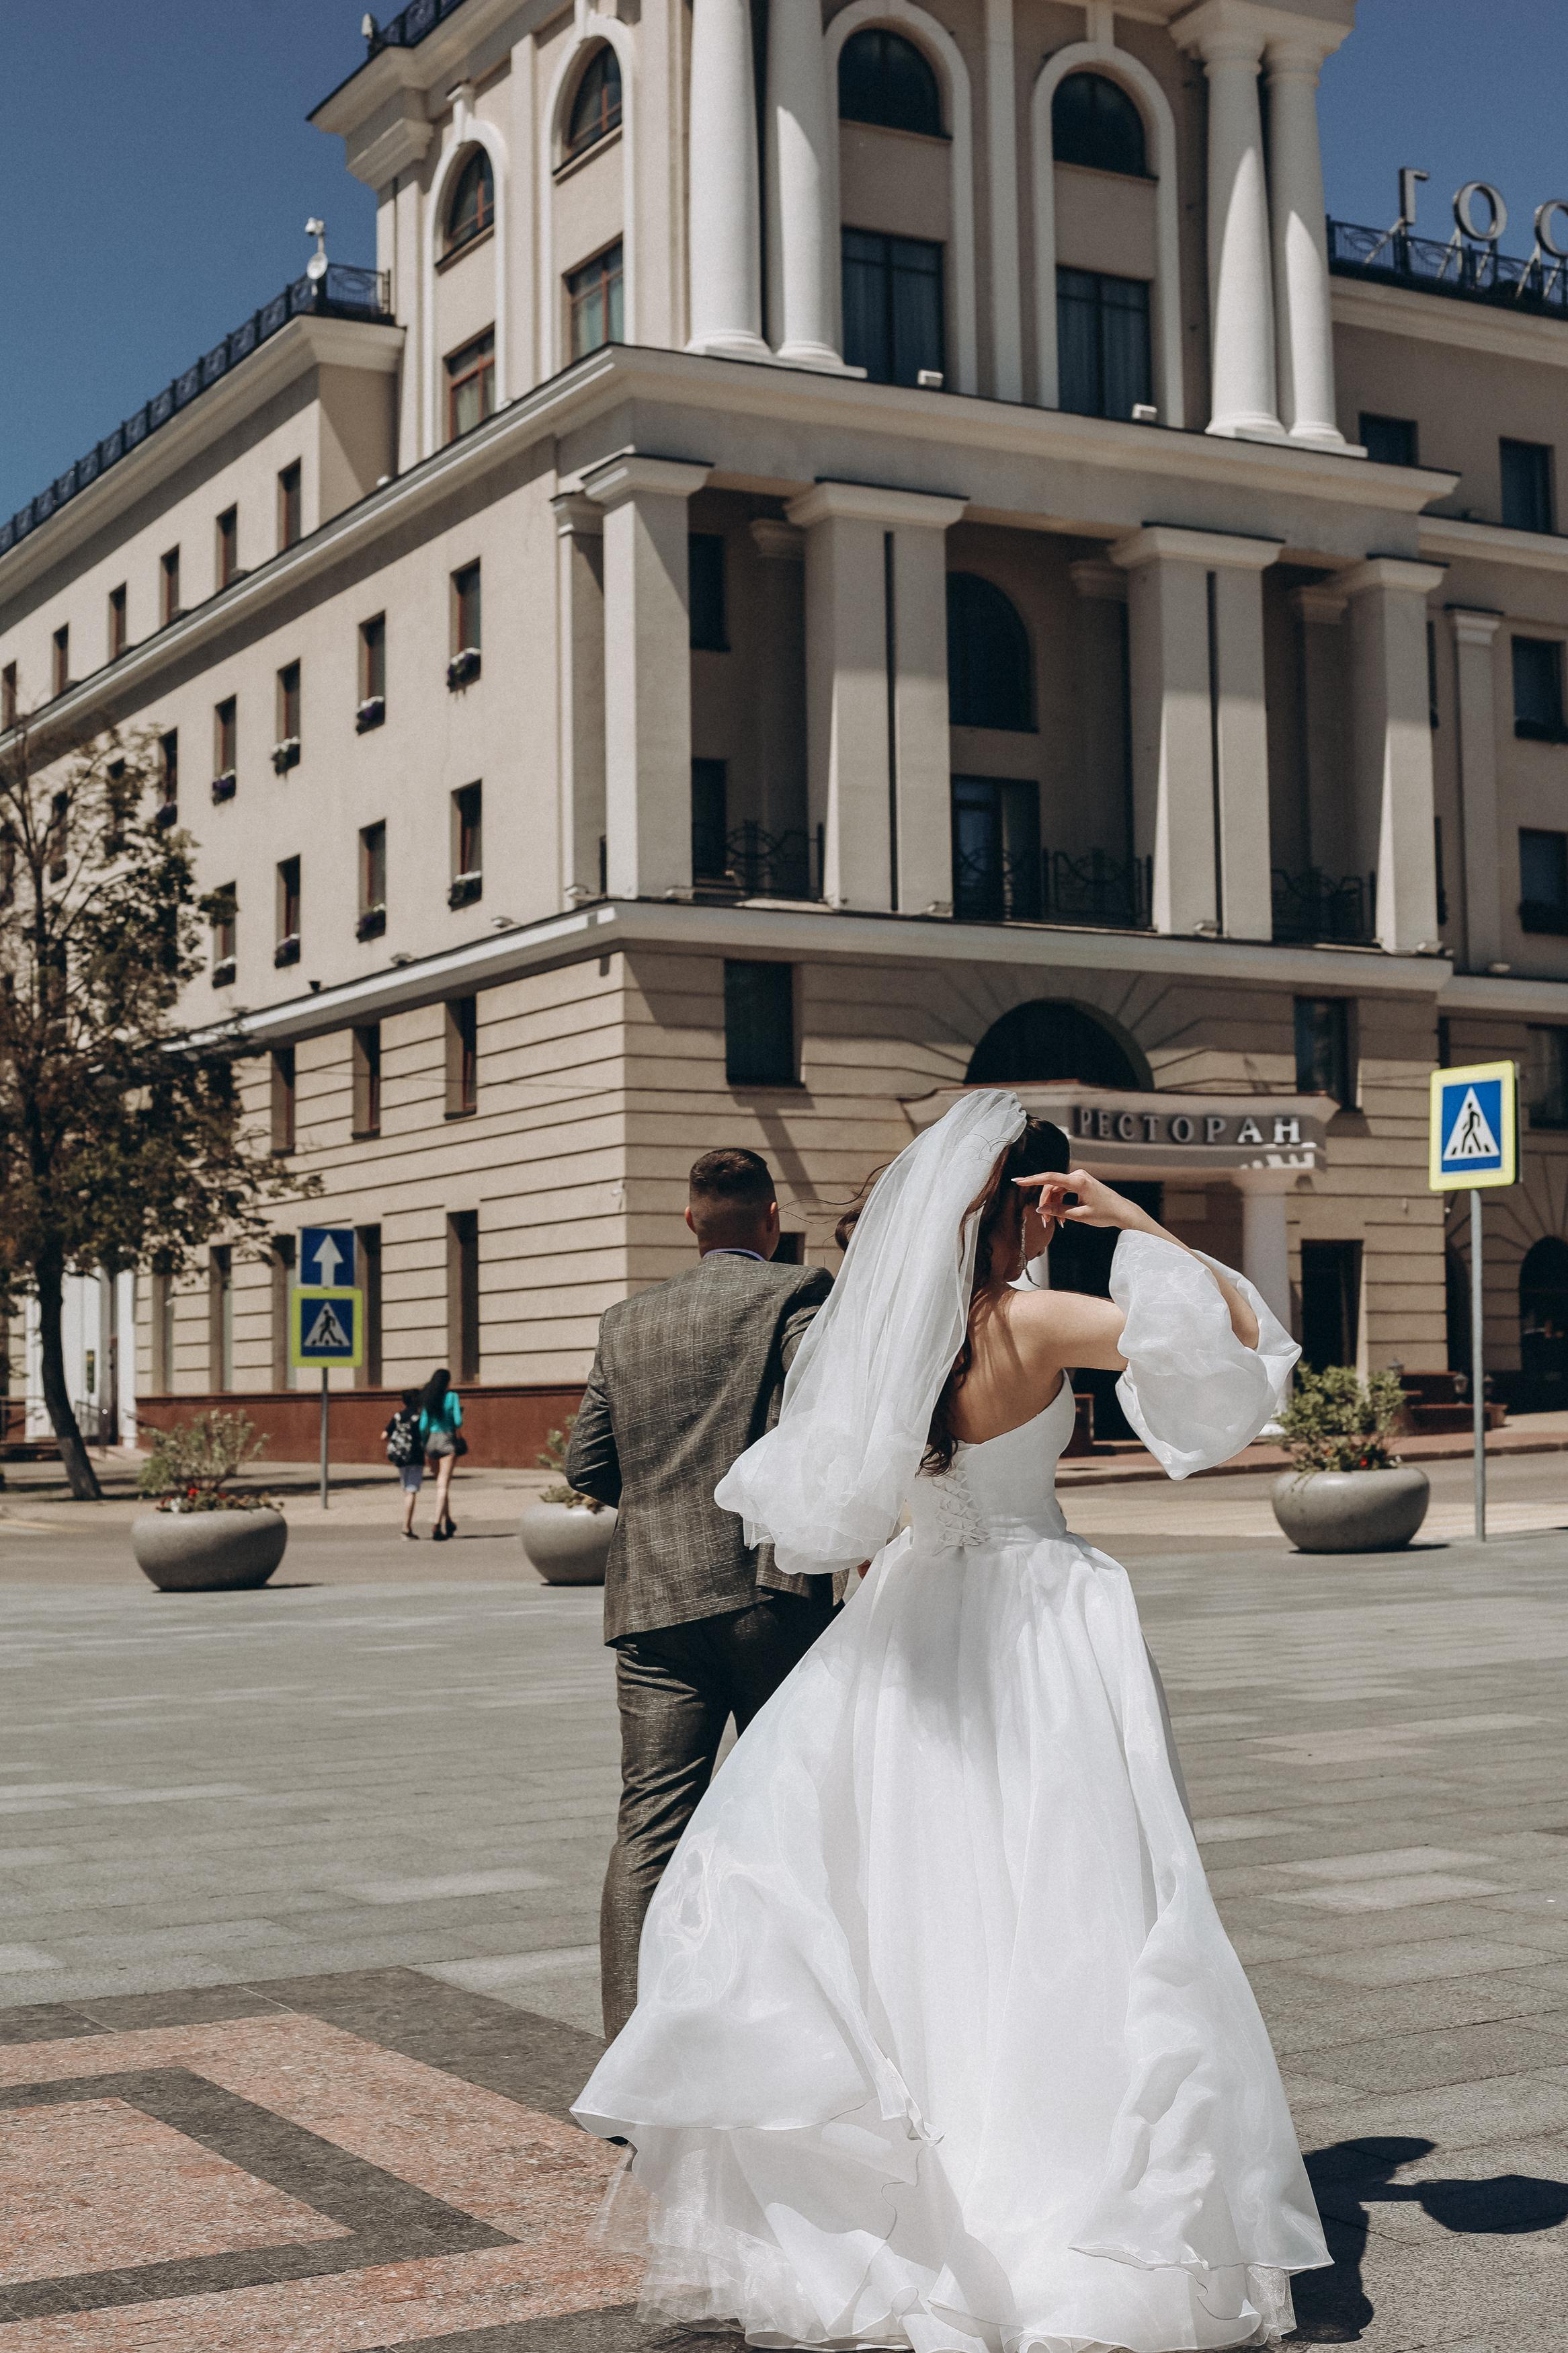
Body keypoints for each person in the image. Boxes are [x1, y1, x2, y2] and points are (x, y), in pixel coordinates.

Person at [575, 1092, 1329, 2352]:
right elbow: (1245, 1345)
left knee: (905, 1904)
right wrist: (1129, 1215)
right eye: (1041, 1204)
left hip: (908, 1615)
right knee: (1063, 1895)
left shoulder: (888, 1337)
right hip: (1032, 1617)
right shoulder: (1034, 1318)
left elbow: (845, 1507)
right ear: (1023, 1204)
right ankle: (1046, 2197)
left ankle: (917, 2206)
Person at [567, 1147, 835, 2038]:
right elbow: (819, 1421)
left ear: (690, 1220)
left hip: (649, 1607)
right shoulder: (797, 1295)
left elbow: (587, 1466)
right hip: (768, 1596)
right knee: (788, 1811)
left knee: (649, 1826)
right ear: (769, 1221)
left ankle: (629, 2056)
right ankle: (788, 2030)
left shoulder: (624, 1322)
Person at [417, 1367, 463, 1541]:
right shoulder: (452, 1397)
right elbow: (458, 1421)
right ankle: (437, 1524)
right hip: (447, 1440)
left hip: (431, 1442)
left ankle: (449, 1521)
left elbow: (423, 1426)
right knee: (443, 1486)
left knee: (440, 1485)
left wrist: (424, 1443)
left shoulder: (428, 1398)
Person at [383, 1387, 425, 1539]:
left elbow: (383, 1435)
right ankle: (406, 1528)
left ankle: (407, 1528)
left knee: (406, 1491)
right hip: (416, 1458)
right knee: (411, 1491)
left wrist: (397, 1442)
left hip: (400, 1458)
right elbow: (424, 1437)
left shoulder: (398, 1416)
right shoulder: (419, 1417)